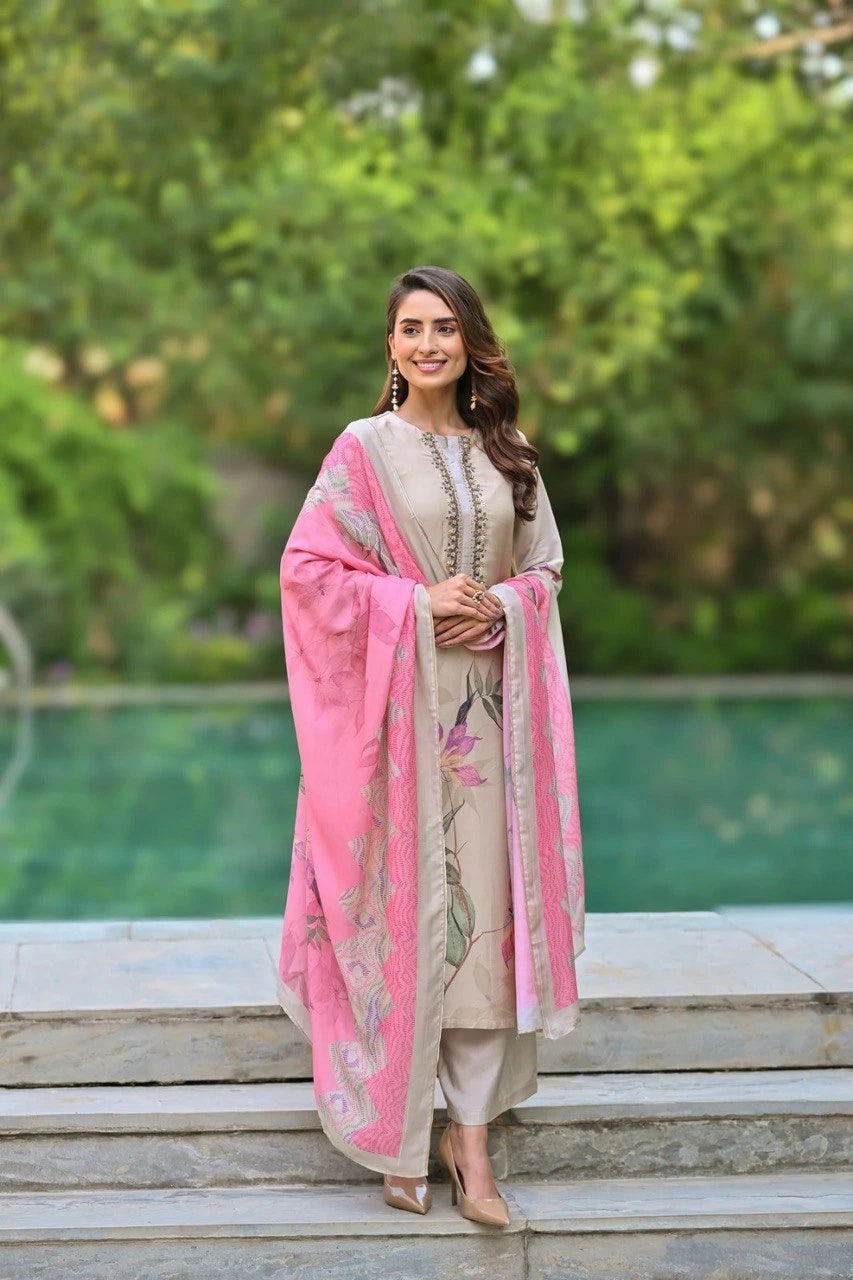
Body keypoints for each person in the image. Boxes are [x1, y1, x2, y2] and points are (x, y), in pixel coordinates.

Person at [275, 265, 585, 1228]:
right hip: (394, 727)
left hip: (489, 729)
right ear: (390, 345)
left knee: (481, 933)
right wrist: (411, 603)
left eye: (444, 327)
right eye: (410, 328)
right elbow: (307, 571)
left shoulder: (510, 455)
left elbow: (546, 568)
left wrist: (499, 606)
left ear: (469, 341)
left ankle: (471, 1147)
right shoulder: (361, 450)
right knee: (400, 910)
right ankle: (399, 1129)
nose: (427, 344)